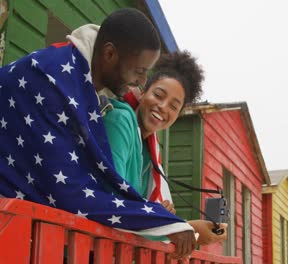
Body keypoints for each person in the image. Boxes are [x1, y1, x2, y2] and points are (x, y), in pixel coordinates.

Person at [0, 8, 195, 259]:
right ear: (110, 54)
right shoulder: (53, 81)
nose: (141, 81)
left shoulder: (82, 84)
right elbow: (69, 188)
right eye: (138, 71)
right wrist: (166, 222)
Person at [103, 51, 228, 246]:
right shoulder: (120, 120)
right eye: (158, 95)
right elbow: (112, 204)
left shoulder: (151, 153)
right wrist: (186, 228)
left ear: (177, 115)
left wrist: (159, 214)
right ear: (143, 92)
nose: (162, 106)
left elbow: (136, 212)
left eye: (173, 106)